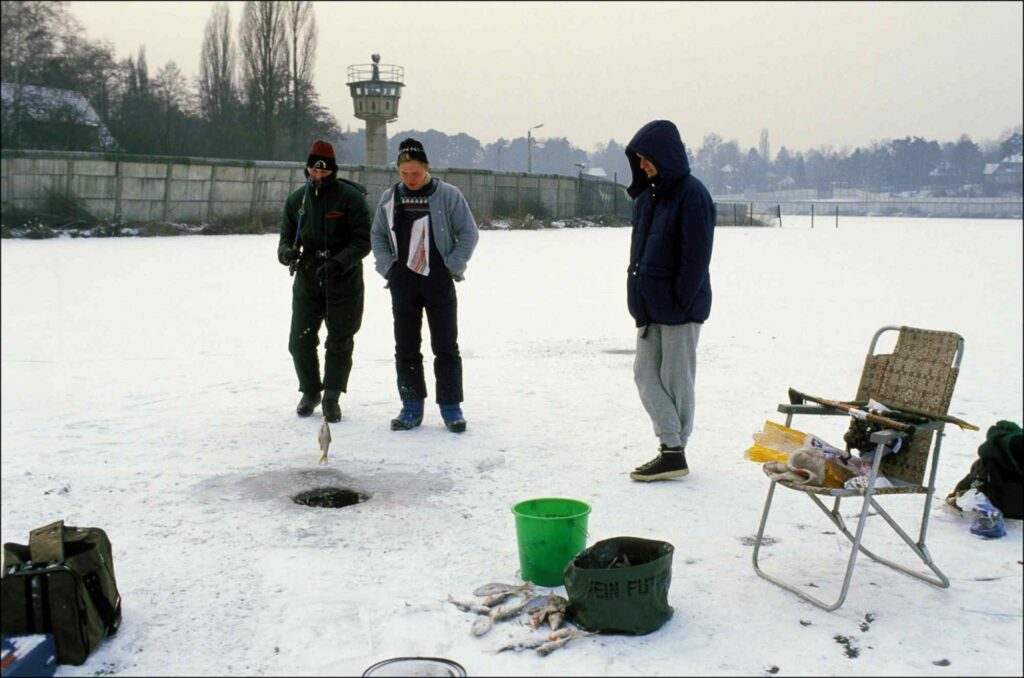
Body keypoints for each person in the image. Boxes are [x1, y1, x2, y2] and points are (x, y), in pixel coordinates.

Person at [623, 120, 716, 482]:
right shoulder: (648, 197)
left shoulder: (693, 194)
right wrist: (638, 298)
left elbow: (696, 258)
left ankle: (674, 450)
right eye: (640, 160)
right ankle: (671, 446)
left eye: (648, 158)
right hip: (649, 306)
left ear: (666, 155)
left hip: (681, 309)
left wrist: (679, 301)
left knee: (677, 381)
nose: (643, 166)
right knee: (644, 374)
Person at [370, 138, 480, 432]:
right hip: (403, 282)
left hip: (438, 281)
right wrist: (389, 269)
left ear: (427, 168)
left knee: (445, 346)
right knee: (405, 347)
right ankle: (411, 406)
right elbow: (378, 236)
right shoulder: (390, 198)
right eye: (404, 173)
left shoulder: (448, 195)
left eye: (415, 173)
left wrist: (451, 266)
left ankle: (450, 408)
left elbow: (469, 233)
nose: (410, 179)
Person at [278, 140, 371, 423]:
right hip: (308, 278)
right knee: (300, 340)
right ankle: (310, 391)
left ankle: (331, 395)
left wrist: (339, 262)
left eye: (323, 172)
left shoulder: (350, 198)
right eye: (313, 170)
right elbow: (284, 238)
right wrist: (287, 254)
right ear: (307, 168)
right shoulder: (297, 201)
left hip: (343, 280)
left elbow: (362, 242)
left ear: (332, 170)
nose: (317, 176)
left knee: (339, 340)